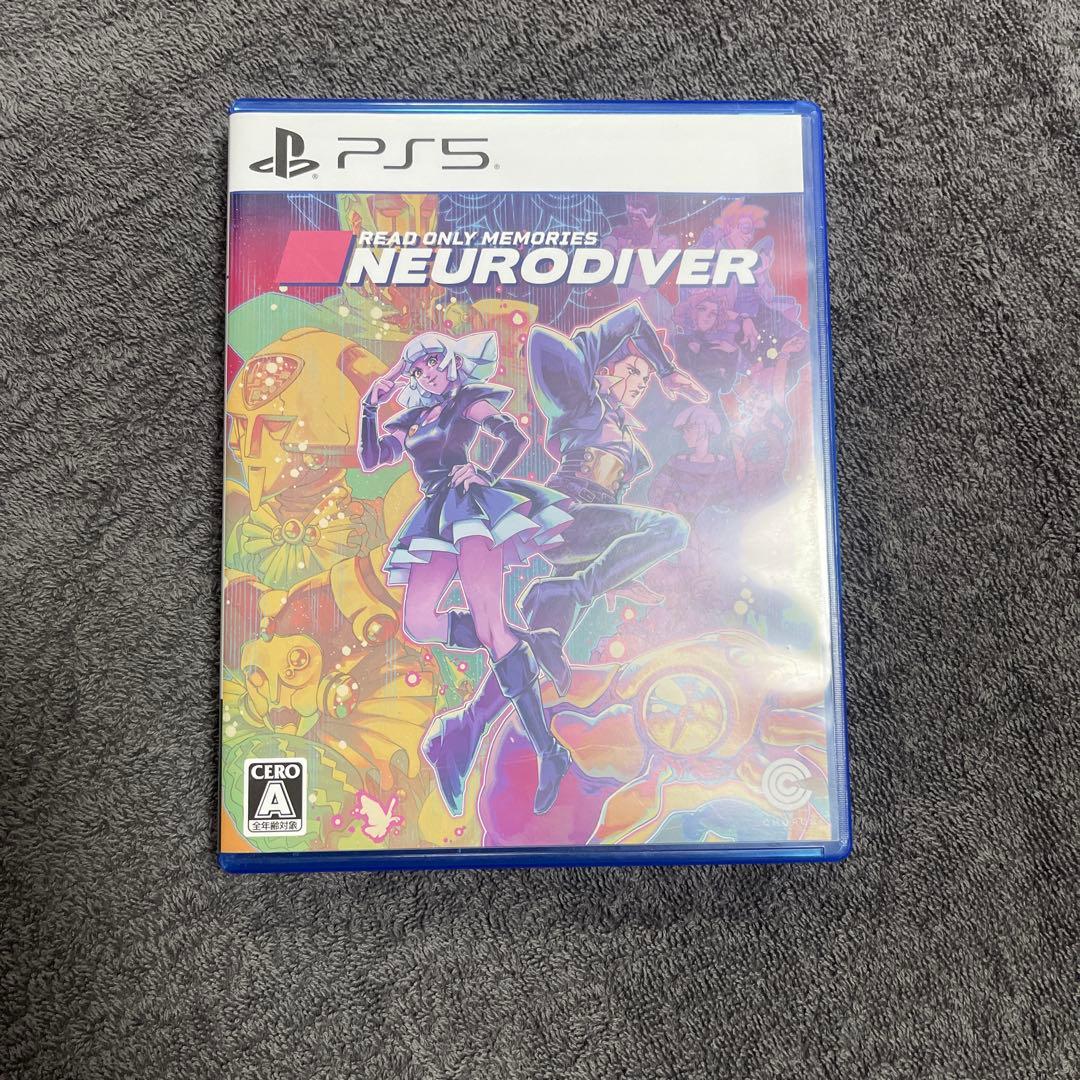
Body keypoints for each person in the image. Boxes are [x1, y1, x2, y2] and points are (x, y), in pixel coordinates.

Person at [358, 331, 574, 815]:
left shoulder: (466, 401)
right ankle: (532, 640)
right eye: (417, 370)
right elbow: (372, 459)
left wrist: (487, 474)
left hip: (470, 508)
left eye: (433, 362)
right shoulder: (412, 418)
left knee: (492, 629)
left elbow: (513, 436)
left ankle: (549, 751)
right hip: (433, 515)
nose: (427, 374)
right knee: (419, 622)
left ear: (451, 360)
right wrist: (370, 407)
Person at [520, 302, 706, 667]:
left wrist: (617, 575)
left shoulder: (628, 442)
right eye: (633, 371)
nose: (639, 384)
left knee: (540, 649)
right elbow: (631, 318)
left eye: (645, 379)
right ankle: (571, 590)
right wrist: (666, 370)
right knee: (672, 529)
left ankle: (489, 703)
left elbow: (612, 523)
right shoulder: (581, 403)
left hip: (585, 531)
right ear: (604, 371)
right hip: (566, 514)